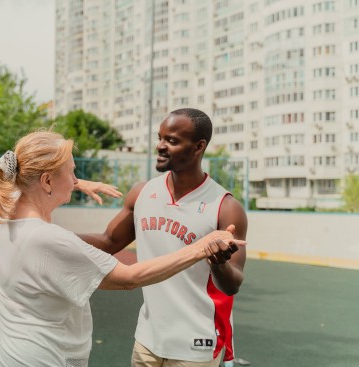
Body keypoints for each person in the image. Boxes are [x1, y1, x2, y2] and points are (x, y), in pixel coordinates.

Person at [0, 129, 245, 367]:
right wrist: (201, 248)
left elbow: (27, 177)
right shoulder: (49, 239)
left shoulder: (6, 212)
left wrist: (77, 184)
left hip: (2, 353)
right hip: (40, 358)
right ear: (47, 182)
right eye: (72, 172)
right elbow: (130, 278)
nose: (76, 179)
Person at [79, 108, 248, 367]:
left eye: (172, 141)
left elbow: (233, 284)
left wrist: (218, 262)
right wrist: (51, 236)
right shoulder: (142, 193)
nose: (160, 146)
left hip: (197, 342)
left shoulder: (225, 207)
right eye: (160, 138)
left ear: (198, 147)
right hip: (148, 337)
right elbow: (108, 242)